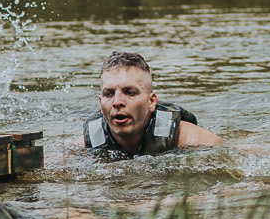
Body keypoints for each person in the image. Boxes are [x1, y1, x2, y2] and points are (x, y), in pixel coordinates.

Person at [82, 51, 222, 159]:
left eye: (130, 92)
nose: (117, 102)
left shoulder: (192, 140)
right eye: (109, 94)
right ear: (101, 103)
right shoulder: (85, 146)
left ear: (152, 102)